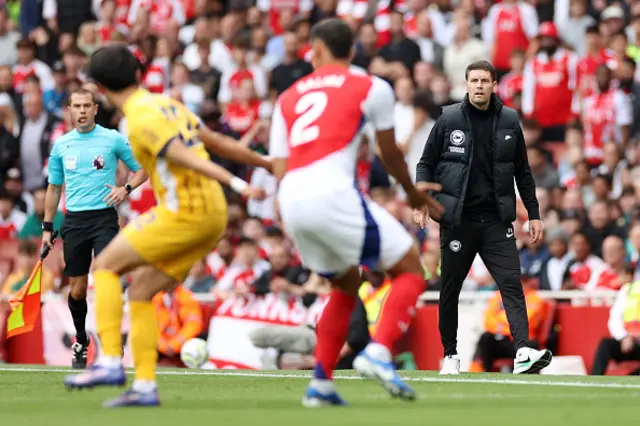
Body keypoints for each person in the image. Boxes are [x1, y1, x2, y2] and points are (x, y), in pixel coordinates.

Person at [62, 44, 271, 408]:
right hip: (211, 215)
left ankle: (111, 360)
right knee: (140, 291)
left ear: (100, 90)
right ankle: (144, 385)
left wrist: (238, 184)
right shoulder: (166, 104)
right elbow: (216, 141)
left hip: (188, 213)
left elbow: (183, 155)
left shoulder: (139, 118)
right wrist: (265, 163)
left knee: (107, 267)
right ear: (140, 75)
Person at [269, 18, 443, 407]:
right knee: (412, 269)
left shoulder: (287, 97)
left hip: (293, 200)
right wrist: (412, 194)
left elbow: (279, 168)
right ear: (352, 51)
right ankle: (379, 351)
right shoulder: (371, 86)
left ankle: (321, 384)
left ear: (313, 50)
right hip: (332, 193)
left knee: (345, 285)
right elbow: (389, 152)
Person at [414, 60, 552, 375]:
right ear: (466, 84)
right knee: (450, 289)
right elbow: (425, 164)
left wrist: (534, 214)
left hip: (496, 222)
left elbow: (523, 172)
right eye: (474, 80)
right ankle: (450, 354)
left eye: (484, 81)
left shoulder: (508, 120)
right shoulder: (448, 118)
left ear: (493, 85)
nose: (479, 86)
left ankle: (522, 353)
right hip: (458, 221)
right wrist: (420, 200)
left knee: (511, 286)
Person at [44, 88, 148, 369]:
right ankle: (81, 339)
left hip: (104, 219)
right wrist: (46, 228)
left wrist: (125, 189)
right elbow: (54, 189)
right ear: (69, 109)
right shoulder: (62, 145)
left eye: (86, 106)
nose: (81, 111)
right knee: (77, 290)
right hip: (74, 221)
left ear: (95, 109)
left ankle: (112, 342)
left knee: (107, 278)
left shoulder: (112, 138)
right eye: (76, 106)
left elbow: (142, 169)